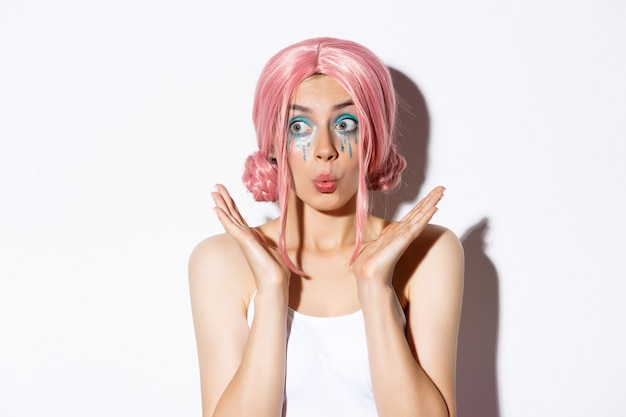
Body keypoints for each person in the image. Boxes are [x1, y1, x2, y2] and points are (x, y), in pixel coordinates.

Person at [188, 37, 464, 417]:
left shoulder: (429, 251)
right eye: (299, 126)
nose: (324, 149)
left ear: (373, 139)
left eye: (346, 123)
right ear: (273, 144)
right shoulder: (220, 261)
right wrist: (271, 291)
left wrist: (374, 287)